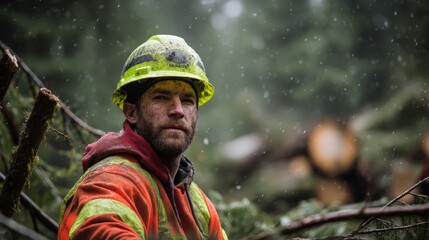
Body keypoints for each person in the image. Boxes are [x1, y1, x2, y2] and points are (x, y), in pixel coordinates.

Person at [58, 35, 228, 239]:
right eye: (160, 97)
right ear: (131, 113)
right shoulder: (111, 180)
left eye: (187, 100)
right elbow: (101, 229)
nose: (178, 110)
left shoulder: (199, 205)